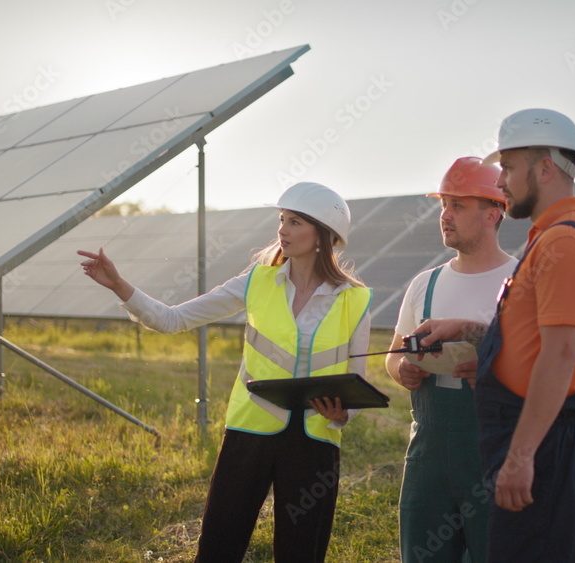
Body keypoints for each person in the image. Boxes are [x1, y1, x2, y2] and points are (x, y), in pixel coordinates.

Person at [78, 182, 372, 563]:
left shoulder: (355, 298)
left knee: (302, 553)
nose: (282, 229)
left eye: (295, 221)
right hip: (248, 435)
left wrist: (344, 413)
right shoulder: (256, 281)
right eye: (281, 219)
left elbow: (358, 379)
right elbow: (173, 319)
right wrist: (119, 286)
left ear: (324, 236)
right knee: (218, 547)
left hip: (314, 444)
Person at [415, 109, 575, 562]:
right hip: (538, 441)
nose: (499, 182)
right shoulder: (550, 238)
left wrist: (521, 457)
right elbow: (534, 342)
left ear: (544, 169)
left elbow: (560, 355)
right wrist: (466, 330)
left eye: (507, 167)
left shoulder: (562, 243)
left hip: (544, 448)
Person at [385, 157, 517, 563]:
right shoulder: (425, 283)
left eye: (457, 206)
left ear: (493, 214)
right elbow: (393, 353)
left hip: (493, 448)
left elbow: (543, 363)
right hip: (428, 451)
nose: (445, 215)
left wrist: (493, 371)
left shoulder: (521, 280)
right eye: (443, 205)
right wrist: (402, 370)